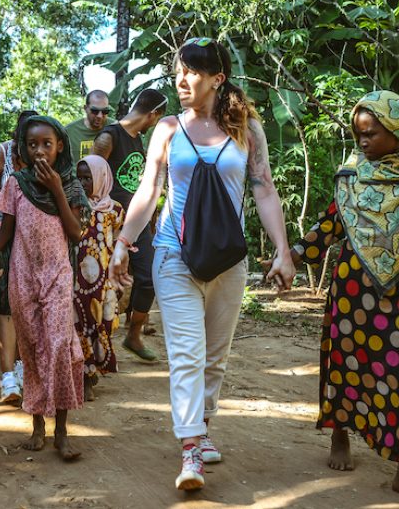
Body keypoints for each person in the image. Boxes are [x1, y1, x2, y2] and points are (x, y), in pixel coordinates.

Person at [109, 38, 295, 491]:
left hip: (229, 260)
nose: (181, 79)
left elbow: (264, 189)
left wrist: (283, 251)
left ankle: (203, 423)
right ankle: (190, 447)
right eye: (178, 70)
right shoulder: (169, 129)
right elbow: (149, 191)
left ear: (217, 78)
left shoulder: (246, 129)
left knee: (215, 357)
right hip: (174, 253)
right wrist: (122, 242)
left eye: (192, 71)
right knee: (188, 355)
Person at [275, 90, 399, 505]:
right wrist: (294, 254)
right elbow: (330, 225)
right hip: (351, 289)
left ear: (396, 130)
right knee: (343, 363)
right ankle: (339, 435)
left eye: (370, 133)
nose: (363, 141)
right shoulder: (352, 174)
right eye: (358, 134)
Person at [0, 115, 88, 460]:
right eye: (33, 145)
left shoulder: (72, 185)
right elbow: (5, 232)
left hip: (57, 275)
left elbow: (75, 232)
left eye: (47, 144)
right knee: (29, 349)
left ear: (60, 146)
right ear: (23, 149)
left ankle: (61, 430)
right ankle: (37, 428)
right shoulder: (15, 184)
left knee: (59, 346)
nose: (40, 151)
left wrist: (57, 188)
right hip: (22, 276)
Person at [91, 88, 168, 360]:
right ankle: (96, 350)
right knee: (100, 285)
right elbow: (89, 177)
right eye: (159, 118)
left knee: (148, 277)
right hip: (106, 223)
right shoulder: (109, 137)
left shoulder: (138, 141)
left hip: (135, 221)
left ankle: (133, 336)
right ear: (153, 114)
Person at [0, 110, 38, 403]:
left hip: (38, 246)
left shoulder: (46, 155)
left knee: (28, 309)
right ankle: (7, 378)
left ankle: (21, 366)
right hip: (6, 238)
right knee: (6, 305)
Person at [73, 155, 124, 401]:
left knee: (100, 326)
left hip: (103, 283)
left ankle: (91, 373)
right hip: (75, 283)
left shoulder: (114, 210)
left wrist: (121, 275)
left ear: (101, 178)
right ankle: (83, 376)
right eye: (79, 177)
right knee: (78, 326)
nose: (82, 183)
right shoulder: (72, 206)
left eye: (87, 178)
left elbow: (120, 246)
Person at [65, 90, 113, 163]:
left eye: (105, 111)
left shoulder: (114, 128)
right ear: (85, 108)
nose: (99, 116)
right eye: (95, 111)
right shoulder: (69, 131)